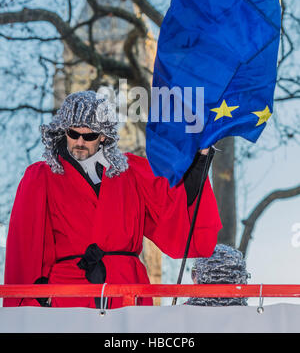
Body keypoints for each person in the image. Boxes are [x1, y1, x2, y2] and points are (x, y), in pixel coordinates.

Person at [3, 90, 222, 309]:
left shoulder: (131, 171)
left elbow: (172, 203)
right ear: (63, 132)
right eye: (73, 133)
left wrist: (199, 159)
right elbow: (26, 243)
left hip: (126, 287)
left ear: (103, 136)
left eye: (89, 136)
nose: (80, 141)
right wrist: (35, 294)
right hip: (68, 292)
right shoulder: (41, 176)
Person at [185, 244, 250, 307]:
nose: (193, 279)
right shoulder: (254, 314)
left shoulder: (180, 313)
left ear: (204, 279)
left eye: (194, 274)